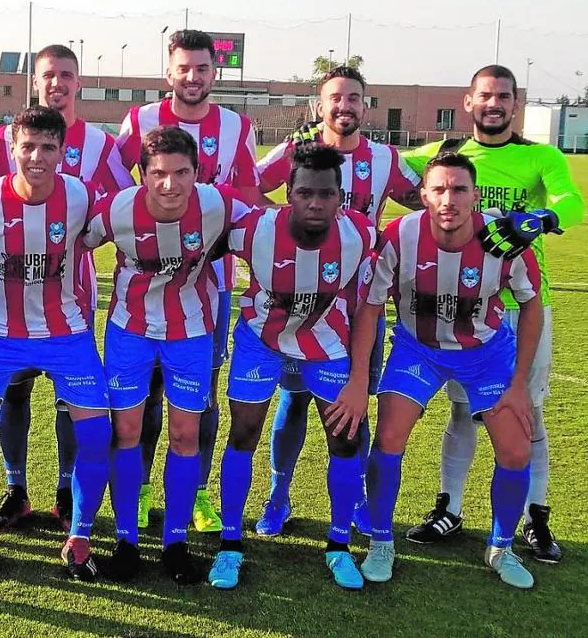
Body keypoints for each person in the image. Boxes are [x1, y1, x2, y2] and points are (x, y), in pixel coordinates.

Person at [395, 65, 583, 564]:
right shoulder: (449, 157)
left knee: (527, 411)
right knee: (461, 410)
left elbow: (573, 201)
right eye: (485, 95)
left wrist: (543, 217)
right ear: (468, 102)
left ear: (515, 103)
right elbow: (385, 164)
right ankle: (450, 508)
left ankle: (534, 517)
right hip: (463, 310)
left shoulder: (540, 156)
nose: (494, 103)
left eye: (503, 95)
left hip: (523, 306)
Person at [0, 106, 111, 583]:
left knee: (95, 435)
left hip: (66, 331)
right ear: (12, 148)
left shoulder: (80, 195)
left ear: (62, 151)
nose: (36, 157)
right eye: (27, 147)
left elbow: (112, 231)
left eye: (47, 147)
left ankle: (81, 535)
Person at [356, 152, 544, 590]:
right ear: (423, 195)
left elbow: (531, 305)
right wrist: (362, 376)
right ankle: (382, 541)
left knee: (516, 450)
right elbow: (369, 306)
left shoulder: (502, 239)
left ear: (476, 196)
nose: (449, 199)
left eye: (459, 189)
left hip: (486, 351)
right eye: (438, 189)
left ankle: (501, 547)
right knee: (388, 438)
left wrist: (520, 386)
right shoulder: (400, 236)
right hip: (417, 348)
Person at [253, 66, 422, 537]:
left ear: (364, 107)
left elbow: (425, 204)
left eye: (353, 98)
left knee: (354, 402)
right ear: (319, 106)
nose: (343, 106)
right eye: (335, 98)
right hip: (299, 304)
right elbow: (250, 185)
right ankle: (278, 495)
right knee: (294, 400)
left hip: (359, 306)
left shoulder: (386, 159)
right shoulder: (295, 152)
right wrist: (279, 231)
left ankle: (359, 503)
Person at [84, 126, 249, 583]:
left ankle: (175, 542)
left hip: (191, 332)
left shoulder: (218, 204)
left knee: (185, 436)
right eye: (158, 174)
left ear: (198, 173)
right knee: (127, 433)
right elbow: (71, 243)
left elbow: (270, 230)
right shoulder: (117, 209)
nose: (170, 184)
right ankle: (125, 541)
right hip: (129, 330)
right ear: (143, 174)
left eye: (181, 173)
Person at [207, 143, 375, 591]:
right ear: (289, 195)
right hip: (260, 339)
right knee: (242, 434)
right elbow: (202, 235)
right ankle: (230, 544)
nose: (315, 203)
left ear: (342, 198)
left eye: (325, 194)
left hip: (326, 342)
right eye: (304, 193)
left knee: (345, 439)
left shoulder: (361, 234)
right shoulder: (255, 230)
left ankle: (339, 545)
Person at [115, 29, 262, 535]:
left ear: (213, 72)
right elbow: (117, 187)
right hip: (143, 286)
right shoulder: (141, 119)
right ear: (169, 71)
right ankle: (139, 492)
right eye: (184, 68)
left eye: (202, 68)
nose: (193, 77)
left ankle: (196, 493)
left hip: (208, 285)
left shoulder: (237, 126)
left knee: (200, 398)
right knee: (142, 400)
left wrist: (207, 221)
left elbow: (248, 194)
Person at [0, 44, 134, 534]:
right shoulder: (9, 141)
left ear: (78, 82)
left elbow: (122, 206)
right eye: (48, 75)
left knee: (71, 399)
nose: (57, 84)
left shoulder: (101, 146)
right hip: (11, 296)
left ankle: (67, 488)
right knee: (15, 392)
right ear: (35, 81)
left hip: (72, 296)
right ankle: (16, 488)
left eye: (66, 75)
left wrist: (87, 231)